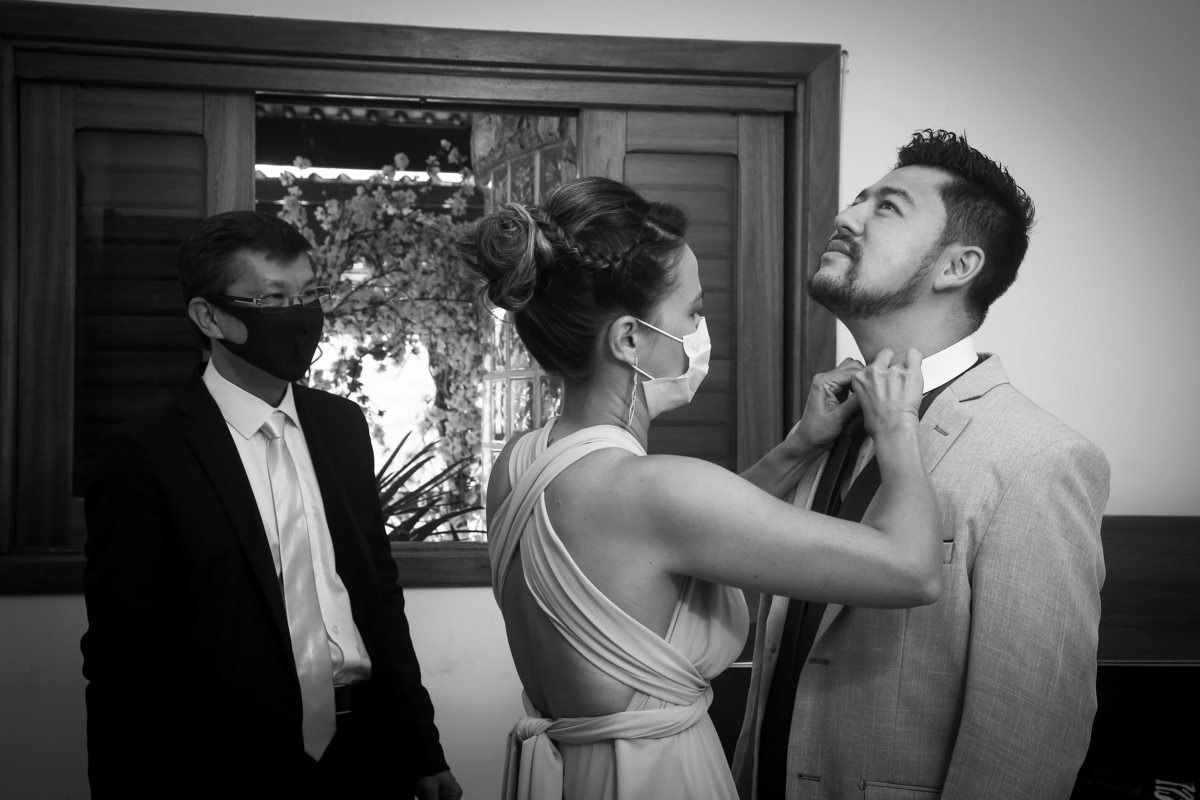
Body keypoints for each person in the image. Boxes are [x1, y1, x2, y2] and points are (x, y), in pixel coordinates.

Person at [457, 176, 946, 800]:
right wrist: (898, 426)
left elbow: (679, 542)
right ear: (630, 339)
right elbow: (913, 571)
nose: (701, 329)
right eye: (692, 312)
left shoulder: (521, 462)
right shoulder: (654, 490)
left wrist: (799, 445)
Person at [733, 130, 1110, 799]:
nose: (846, 217)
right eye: (858, 200)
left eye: (886, 207)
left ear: (957, 266)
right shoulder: (827, 423)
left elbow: (1028, 736)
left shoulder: (1038, 459)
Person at [81, 211, 462, 800]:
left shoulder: (341, 426)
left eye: (308, 295)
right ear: (209, 316)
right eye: (273, 299)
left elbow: (378, 596)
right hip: (221, 764)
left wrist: (421, 749)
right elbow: (121, 658)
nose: (300, 315)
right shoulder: (145, 453)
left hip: (366, 751)